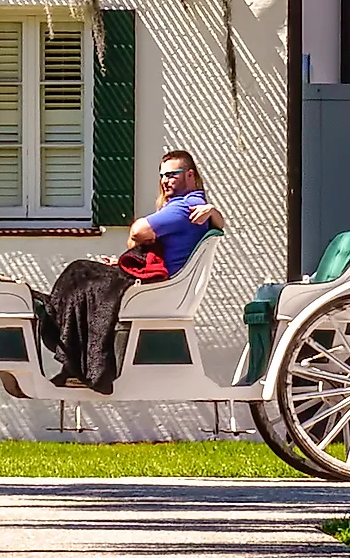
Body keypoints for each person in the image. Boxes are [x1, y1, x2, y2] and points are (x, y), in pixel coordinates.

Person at [35, 149, 224, 395]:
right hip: (160, 282)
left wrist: (134, 250)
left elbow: (137, 232)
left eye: (172, 175)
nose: (165, 181)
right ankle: (74, 357)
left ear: (189, 175)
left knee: (79, 271)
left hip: (159, 287)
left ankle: (80, 359)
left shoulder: (184, 207)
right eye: (162, 176)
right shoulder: (195, 206)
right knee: (83, 275)